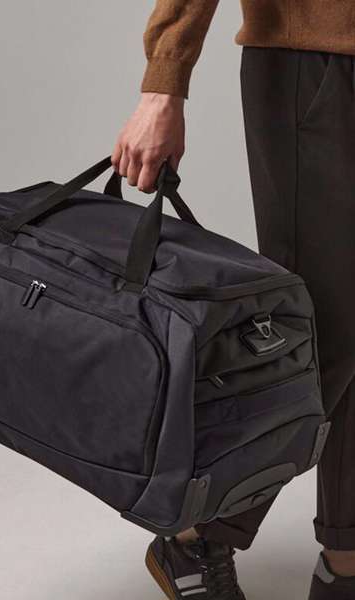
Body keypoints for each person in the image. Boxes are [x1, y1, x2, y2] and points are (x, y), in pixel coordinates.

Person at [112, 2, 355, 599]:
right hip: (317, 58)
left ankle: (345, 559)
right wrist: (164, 80)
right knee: (319, 329)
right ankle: (196, 533)